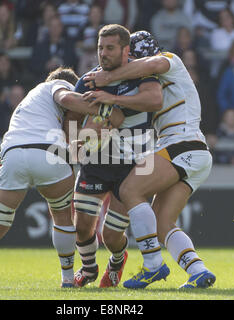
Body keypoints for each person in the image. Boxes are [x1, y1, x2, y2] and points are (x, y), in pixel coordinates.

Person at [0, 67, 124, 290]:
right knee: (62, 218)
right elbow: (66, 98)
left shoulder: (30, 101)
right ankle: (67, 279)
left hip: (13, 154)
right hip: (48, 154)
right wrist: (104, 110)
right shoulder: (56, 85)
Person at [84, 30, 216, 289]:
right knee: (163, 222)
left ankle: (153, 264)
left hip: (181, 145)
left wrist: (108, 77)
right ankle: (198, 270)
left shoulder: (168, 60)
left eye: (133, 59)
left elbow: (153, 64)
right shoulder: (146, 84)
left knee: (130, 189)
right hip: (194, 152)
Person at [72, 24, 164, 288]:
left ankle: (117, 260)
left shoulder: (142, 74)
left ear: (126, 50)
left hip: (132, 166)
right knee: (82, 226)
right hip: (97, 162)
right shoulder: (89, 78)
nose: (103, 53)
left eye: (110, 48)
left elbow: (155, 100)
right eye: (100, 48)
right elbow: (73, 118)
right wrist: (78, 137)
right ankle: (88, 269)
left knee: (111, 235)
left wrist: (111, 100)